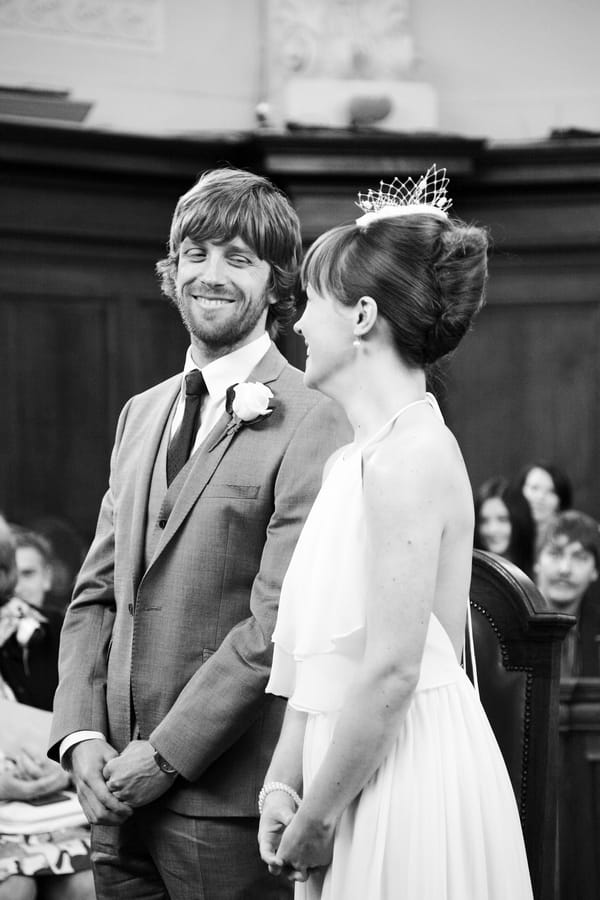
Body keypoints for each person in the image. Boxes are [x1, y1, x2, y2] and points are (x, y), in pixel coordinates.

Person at [49, 166, 349, 900]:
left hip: (222, 808)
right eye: (196, 254)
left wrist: (166, 757)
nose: (211, 276)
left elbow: (274, 623)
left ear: (279, 285)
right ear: (170, 268)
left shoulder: (316, 414)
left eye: (238, 258)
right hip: (110, 799)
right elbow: (94, 597)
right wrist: (82, 737)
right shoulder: (140, 413)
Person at [258, 167, 533, 898]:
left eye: (312, 301)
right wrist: (282, 785)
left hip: (402, 775)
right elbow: (320, 659)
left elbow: (391, 673)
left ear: (360, 316)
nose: (296, 322)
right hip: (344, 771)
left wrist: (317, 816)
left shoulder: (411, 457)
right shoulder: (358, 457)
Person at [0, 517, 94, 900]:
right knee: (15, 890)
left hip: (49, 800)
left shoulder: (52, 632)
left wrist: (66, 766)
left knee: (86, 886)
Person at [0, 526, 63, 711]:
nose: (16, 586)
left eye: (27, 574)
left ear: (48, 576)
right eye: (10, 575)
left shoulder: (71, 632)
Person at [534, 509, 600, 677]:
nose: (565, 569)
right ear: (537, 561)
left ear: (595, 571)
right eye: (555, 554)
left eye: (579, 557)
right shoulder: (503, 626)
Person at [474, 475, 536, 576]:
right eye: (484, 521)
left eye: (502, 519)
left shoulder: (539, 571)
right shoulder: (469, 577)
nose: (492, 530)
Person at [513, 460, 572, 551]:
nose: (540, 497)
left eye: (551, 491)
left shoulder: (571, 540)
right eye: (534, 488)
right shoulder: (506, 532)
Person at [13, 529, 54, 613]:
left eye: (27, 574)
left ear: (47, 577)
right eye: (10, 577)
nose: (17, 588)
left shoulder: (71, 625)